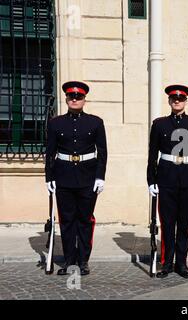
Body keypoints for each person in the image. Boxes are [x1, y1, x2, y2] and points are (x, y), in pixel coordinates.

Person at [45, 81, 107, 276]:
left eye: (78, 96)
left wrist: (100, 177)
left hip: (88, 178)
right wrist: (49, 177)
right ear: (66, 99)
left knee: (85, 220)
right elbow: (50, 152)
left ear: (84, 100)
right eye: (71, 96)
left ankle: (83, 260)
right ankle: (69, 260)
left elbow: (102, 152)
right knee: (67, 221)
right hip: (63, 178)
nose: (74, 99)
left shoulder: (95, 122)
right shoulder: (55, 123)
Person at [147, 84, 188, 279]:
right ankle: (166, 263)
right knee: (167, 223)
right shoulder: (159, 124)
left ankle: (181, 263)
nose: (177, 101)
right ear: (169, 101)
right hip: (166, 178)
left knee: (184, 224)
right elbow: (152, 155)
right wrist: (151, 180)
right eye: (174, 98)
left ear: (185, 101)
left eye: (180, 99)